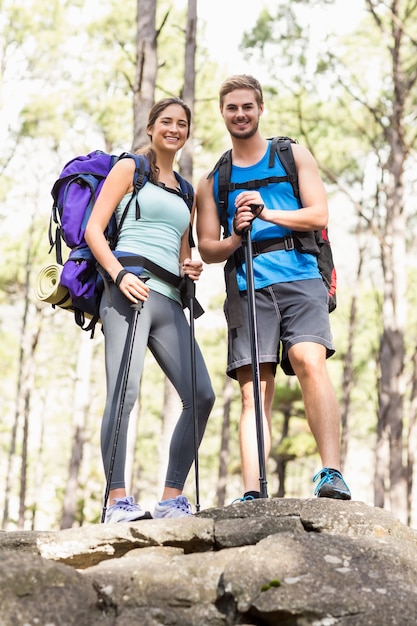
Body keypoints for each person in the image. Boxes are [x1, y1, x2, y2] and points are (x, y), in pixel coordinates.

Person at [196, 75, 351, 501]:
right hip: (247, 287)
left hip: (301, 275)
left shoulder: (291, 155)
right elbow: (208, 247)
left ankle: (331, 473)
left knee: (308, 359)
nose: (240, 114)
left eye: (247, 106)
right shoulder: (215, 180)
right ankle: (252, 491)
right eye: (232, 108)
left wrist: (267, 215)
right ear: (222, 112)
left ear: (260, 108)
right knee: (254, 389)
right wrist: (235, 235)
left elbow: (319, 214)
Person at [85, 97, 215, 523]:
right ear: (151, 127)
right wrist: (119, 275)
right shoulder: (129, 169)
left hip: (169, 299)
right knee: (125, 391)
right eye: (166, 122)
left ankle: (170, 500)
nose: (174, 129)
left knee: (200, 395)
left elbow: (182, 251)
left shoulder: (186, 190)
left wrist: (191, 265)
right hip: (128, 292)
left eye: (182, 123)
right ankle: (116, 501)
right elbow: (93, 230)